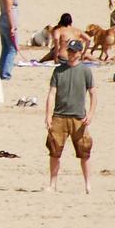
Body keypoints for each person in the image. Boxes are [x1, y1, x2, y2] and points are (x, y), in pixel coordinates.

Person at [45, 39, 97, 193]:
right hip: (59, 116)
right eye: (69, 51)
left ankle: (88, 184)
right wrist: (48, 115)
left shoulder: (86, 71)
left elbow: (93, 93)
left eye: (74, 51)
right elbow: (52, 93)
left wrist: (91, 114)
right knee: (54, 151)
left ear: (80, 53)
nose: (71, 54)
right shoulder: (58, 71)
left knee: (84, 152)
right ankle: (52, 184)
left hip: (78, 118)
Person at [0, 0, 20, 82]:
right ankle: (5, 74)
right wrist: (12, 27)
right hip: (7, 23)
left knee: (6, 48)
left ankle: (3, 73)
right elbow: (9, 10)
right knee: (12, 49)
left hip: (3, 22)